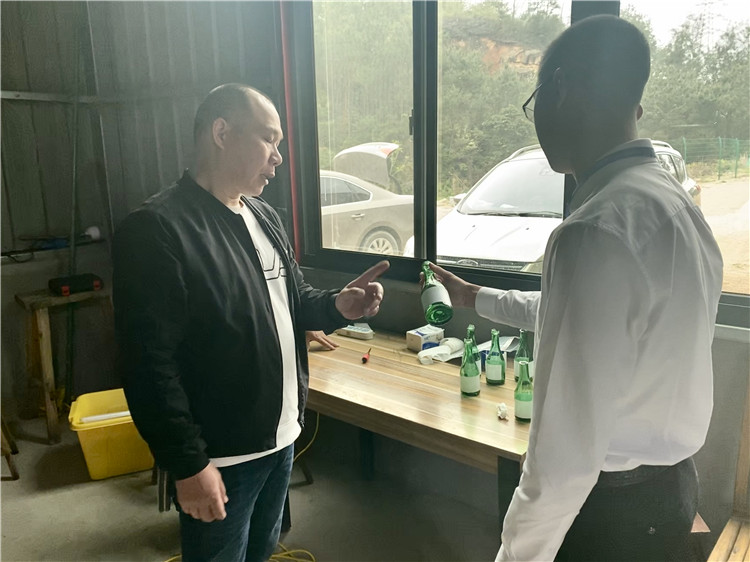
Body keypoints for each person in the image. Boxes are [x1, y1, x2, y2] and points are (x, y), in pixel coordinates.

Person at [426, 15, 722, 562]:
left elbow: (562, 456)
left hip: (611, 514)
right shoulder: (675, 205)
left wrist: (517, 554)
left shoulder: (594, 230)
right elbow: (592, 321)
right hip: (671, 488)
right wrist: (475, 298)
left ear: (558, 89)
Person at [113, 83, 389, 562]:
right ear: (222, 133)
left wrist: (338, 307)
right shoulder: (158, 229)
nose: (278, 157)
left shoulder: (264, 216)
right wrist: (188, 464)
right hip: (221, 455)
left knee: (262, 551)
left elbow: (294, 300)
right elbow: (148, 365)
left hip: (281, 438)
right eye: (269, 139)